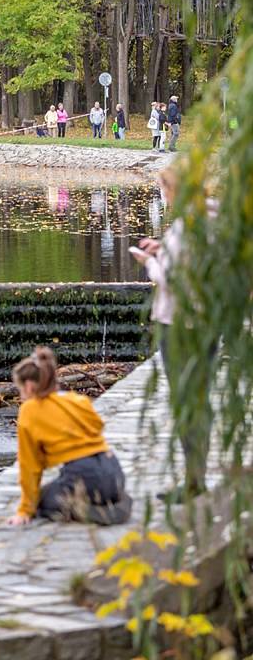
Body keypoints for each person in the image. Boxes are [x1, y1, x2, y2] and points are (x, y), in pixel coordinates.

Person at [131, 166, 216, 502]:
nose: (163, 196)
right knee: (200, 397)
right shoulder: (213, 219)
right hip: (207, 321)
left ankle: (193, 481)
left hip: (180, 324)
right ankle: (197, 475)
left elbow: (173, 279)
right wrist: (163, 248)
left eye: (164, 189)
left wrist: (149, 262)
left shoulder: (189, 224)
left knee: (186, 399)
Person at [8, 346, 132, 526]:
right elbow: (98, 424)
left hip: (85, 475)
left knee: (44, 502)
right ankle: (116, 500)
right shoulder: (75, 399)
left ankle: (99, 514)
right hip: (113, 470)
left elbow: (30, 465)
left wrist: (25, 510)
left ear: (28, 386)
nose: (21, 395)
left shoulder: (30, 409)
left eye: (20, 390)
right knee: (59, 485)